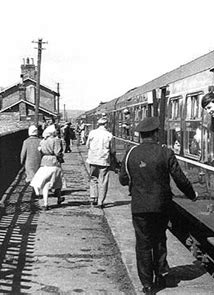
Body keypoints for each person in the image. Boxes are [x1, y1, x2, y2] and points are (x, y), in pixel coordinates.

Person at [119, 116, 198, 294]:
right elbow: (180, 179)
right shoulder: (166, 152)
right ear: (156, 133)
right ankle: (161, 274)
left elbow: (123, 180)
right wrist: (192, 195)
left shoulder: (131, 153)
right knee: (160, 238)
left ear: (140, 135)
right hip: (161, 206)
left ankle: (147, 284)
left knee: (143, 243)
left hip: (139, 206)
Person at [30, 125, 65, 210]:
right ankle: (59, 197)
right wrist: (61, 157)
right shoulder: (56, 140)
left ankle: (45, 203)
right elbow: (57, 152)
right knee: (58, 181)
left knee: (45, 184)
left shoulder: (43, 141)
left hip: (44, 161)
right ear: (53, 133)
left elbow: (40, 151)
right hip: (53, 161)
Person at [86, 117, 113, 208]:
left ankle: (93, 197)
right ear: (105, 124)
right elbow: (112, 150)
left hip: (93, 159)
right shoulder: (109, 135)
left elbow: (87, 145)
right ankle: (100, 202)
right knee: (103, 181)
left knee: (93, 178)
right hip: (104, 160)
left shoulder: (92, 133)